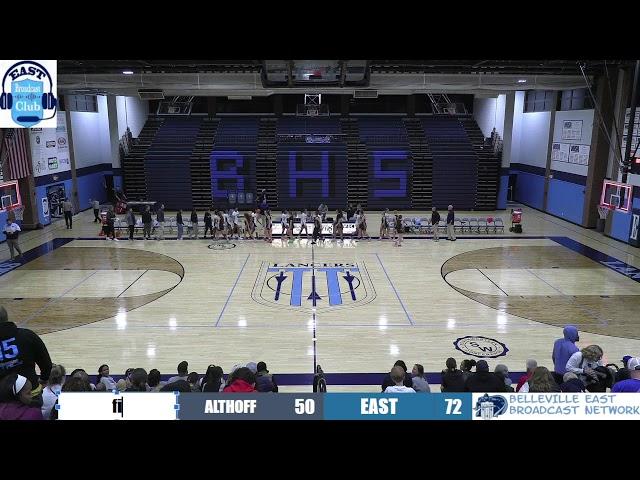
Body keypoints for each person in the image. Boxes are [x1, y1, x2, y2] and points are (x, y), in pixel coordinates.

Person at [0, 306, 52, 395]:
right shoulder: (27, 335)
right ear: (6, 318)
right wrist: (43, 379)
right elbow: (46, 364)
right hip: (30, 392)